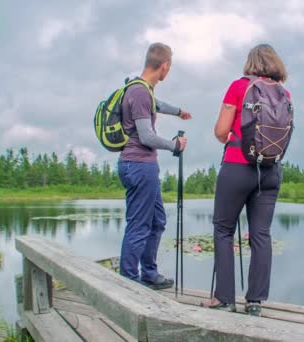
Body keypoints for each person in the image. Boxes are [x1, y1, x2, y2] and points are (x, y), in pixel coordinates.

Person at [202, 44, 290, 316]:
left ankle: (225, 299)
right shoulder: (284, 93)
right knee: (261, 234)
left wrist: (228, 138)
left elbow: (220, 130)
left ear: (250, 63)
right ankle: (255, 302)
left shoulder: (239, 87)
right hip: (271, 170)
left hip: (238, 166)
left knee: (223, 230)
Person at [118, 42, 191, 290]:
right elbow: (147, 137)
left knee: (157, 220)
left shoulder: (143, 91)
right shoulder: (139, 93)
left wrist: (180, 111)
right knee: (139, 224)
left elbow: (157, 105)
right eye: (168, 68)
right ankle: (128, 282)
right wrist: (175, 145)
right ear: (165, 66)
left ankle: (149, 273)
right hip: (139, 165)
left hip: (142, 165)